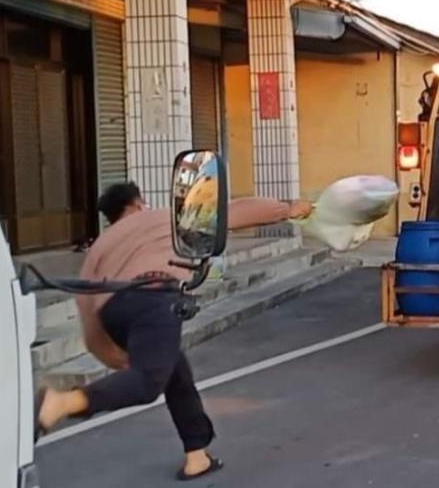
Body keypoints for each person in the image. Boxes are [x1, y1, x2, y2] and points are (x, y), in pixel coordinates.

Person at [35, 182, 313, 481]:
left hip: (113, 312)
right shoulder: (164, 218)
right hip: (153, 298)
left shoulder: (100, 246)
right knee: (147, 383)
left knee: (175, 373)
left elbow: (87, 309)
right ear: (138, 204)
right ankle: (62, 402)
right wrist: (289, 209)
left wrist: (111, 354)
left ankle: (197, 454)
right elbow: (232, 213)